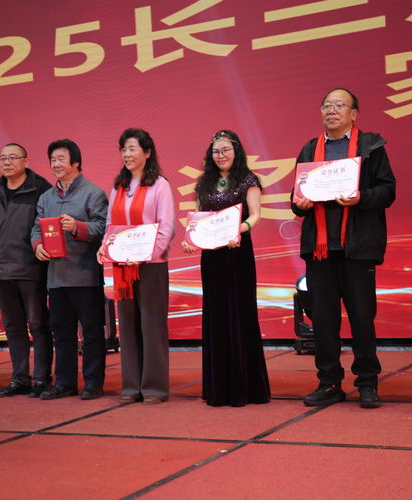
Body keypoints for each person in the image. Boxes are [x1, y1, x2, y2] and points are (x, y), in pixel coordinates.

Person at [291, 89, 396, 408]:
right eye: (327, 105)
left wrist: (361, 197)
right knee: (323, 320)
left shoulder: (371, 146)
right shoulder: (309, 148)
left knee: (362, 318)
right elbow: (297, 199)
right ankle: (329, 382)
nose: (332, 110)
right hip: (321, 248)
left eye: (339, 105)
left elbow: (387, 190)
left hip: (357, 246)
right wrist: (299, 203)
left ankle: (367, 383)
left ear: (354, 113)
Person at [182, 130, 271, 407]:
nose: (220, 156)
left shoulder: (248, 179)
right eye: (216, 151)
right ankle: (218, 388)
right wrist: (190, 240)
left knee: (239, 314)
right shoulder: (205, 182)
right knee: (216, 315)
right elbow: (200, 220)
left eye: (226, 150)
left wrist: (238, 229)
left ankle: (247, 388)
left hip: (237, 252)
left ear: (236, 151)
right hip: (212, 257)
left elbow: (255, 216)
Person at [97, 128, 176, 404]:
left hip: (151, 265)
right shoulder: (119, 186)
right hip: (122, 267)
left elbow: (167, 227)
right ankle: (131, 386)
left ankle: (154, 387)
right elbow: (110, 225)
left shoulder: (160, 185)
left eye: (132, 149)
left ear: (147, 152)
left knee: (152, 326)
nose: (127, 154)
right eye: (123, 150)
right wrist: (105, 247)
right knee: (128, 327)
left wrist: (144, 254)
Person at [31, 139, 108, 400]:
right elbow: (36, 228)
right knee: (62, 333)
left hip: (85, 275)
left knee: (92, 332)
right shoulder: (46, 197)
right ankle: (64, 382)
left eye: (61, 159)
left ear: (75, 162)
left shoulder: (93, 193)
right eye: (52, 160)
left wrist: (77, 226)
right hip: (56, 277)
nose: (56, 164)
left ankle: (93, 383)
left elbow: (103, 227)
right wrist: (37, 245)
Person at [0, 143, 53, 398]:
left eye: (13, 158)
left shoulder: (41, 189)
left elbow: (46, 228)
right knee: (12, 327)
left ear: (26, 161)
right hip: (0, 270)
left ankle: (42, 378)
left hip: (30, 268)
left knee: (38, 324)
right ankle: (20, 378)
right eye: (3, 158)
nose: (7, 162)